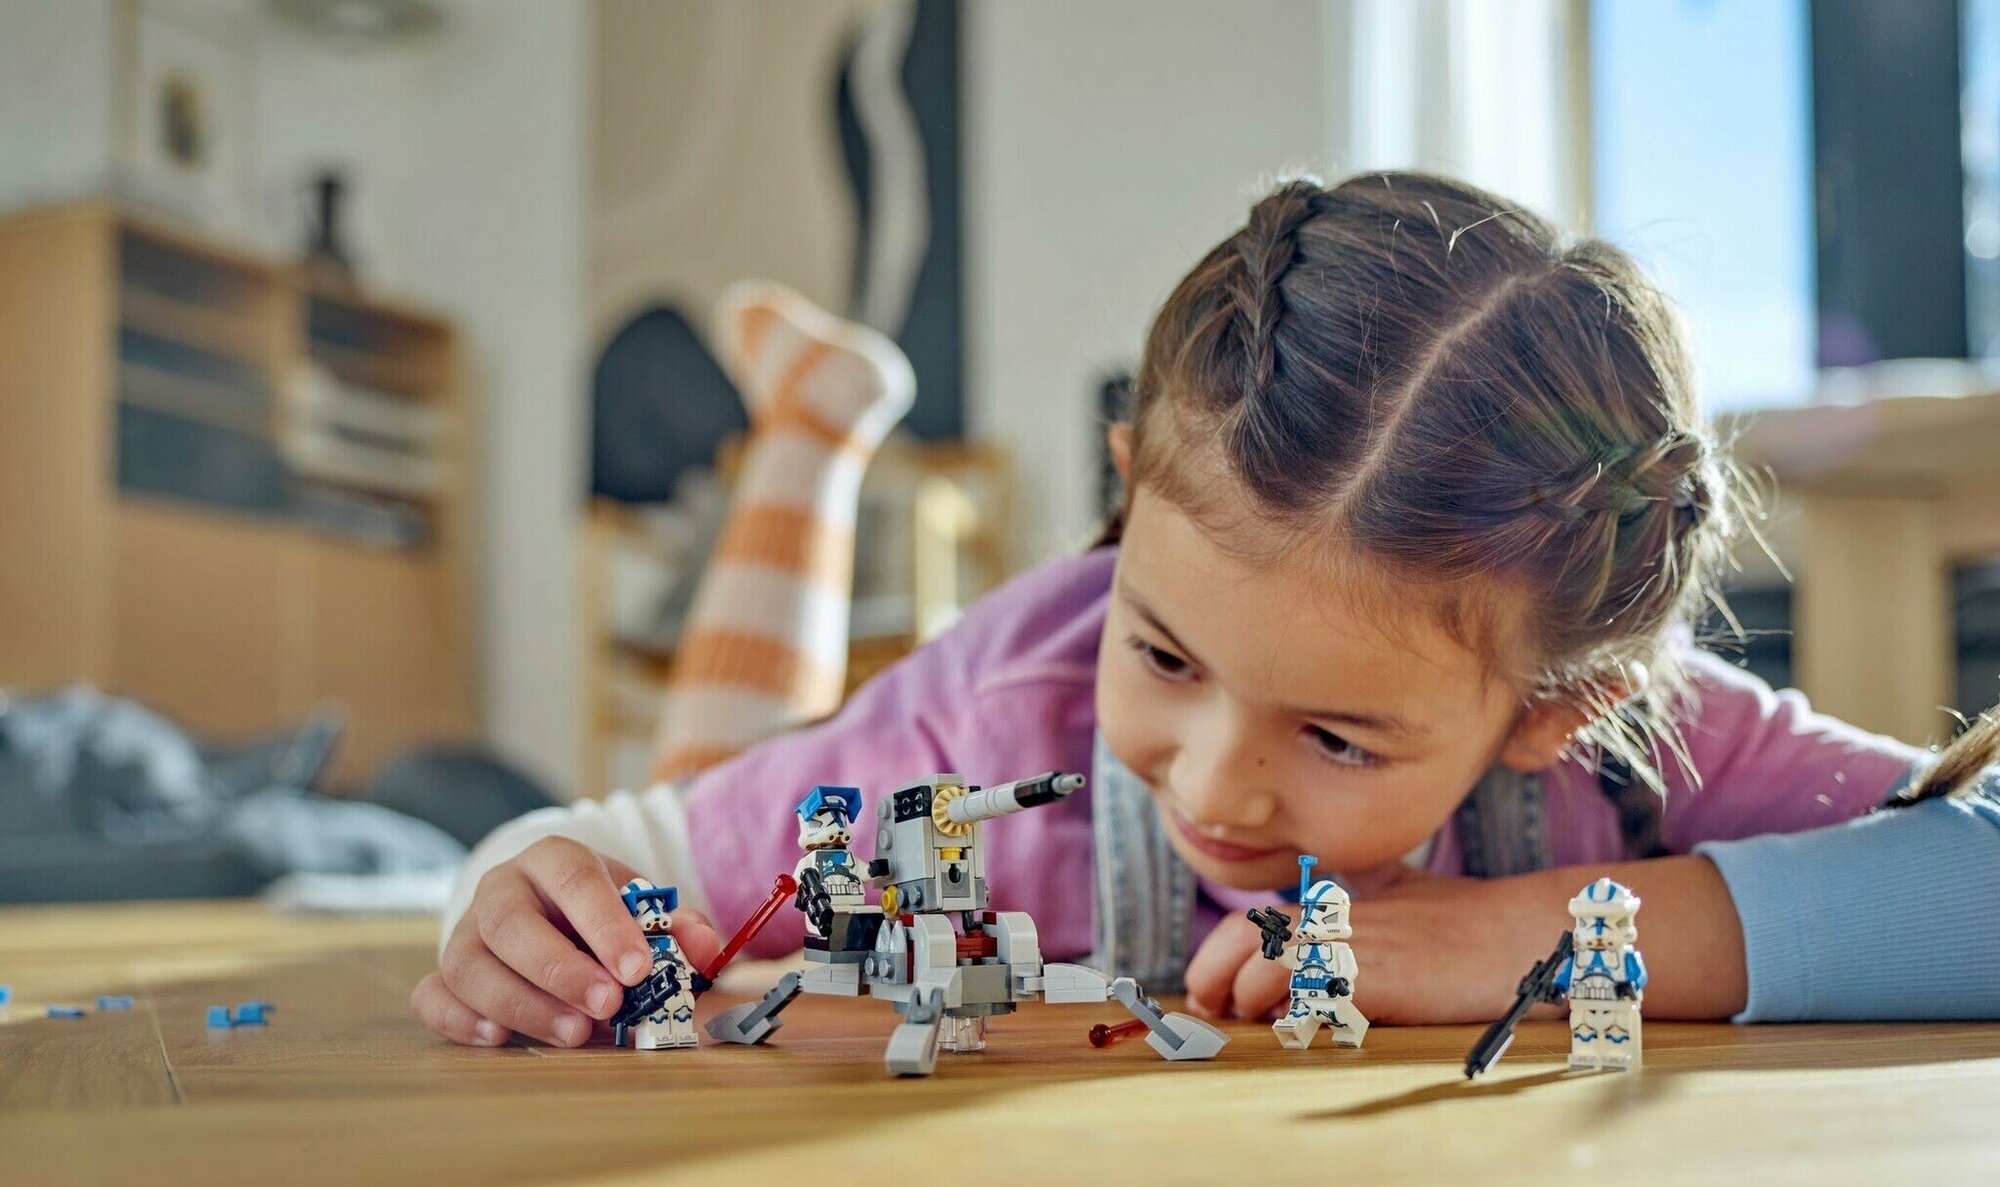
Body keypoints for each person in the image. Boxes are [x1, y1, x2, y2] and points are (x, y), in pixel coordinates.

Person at [412, 171, 2000, 1050]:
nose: (1222, 787)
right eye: (1164, 654)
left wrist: (1533, 935)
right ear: (1127, 503)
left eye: (1338, 737)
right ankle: (812, 437)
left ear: (1554, 710)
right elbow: (605, 851)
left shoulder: (1635, 746)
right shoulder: (1001, 717)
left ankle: (819, 420)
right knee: (724, 772)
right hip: (870, 754)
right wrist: (527, 909)